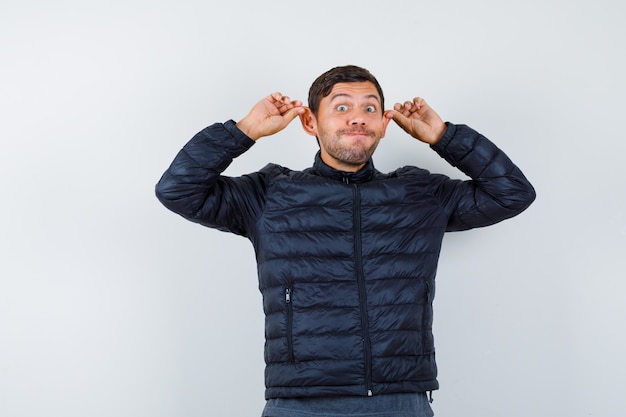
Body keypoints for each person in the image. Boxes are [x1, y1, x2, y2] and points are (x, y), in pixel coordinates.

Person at [155, 65, 536, 417]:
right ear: (310, 121)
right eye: (341, 106)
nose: (358, 117)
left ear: (385, 124)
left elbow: (512, 193)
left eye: (370, 109)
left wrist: (444, 136)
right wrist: (245, 130)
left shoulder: (420, 193)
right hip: (300, 403)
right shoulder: (269, 194)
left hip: (399, 399)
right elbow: (178, 190)